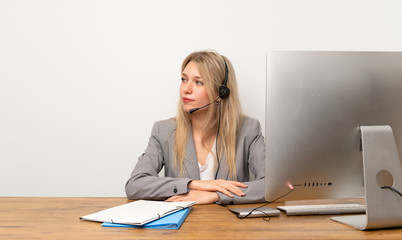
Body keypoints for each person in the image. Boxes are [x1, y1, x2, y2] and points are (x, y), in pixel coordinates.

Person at [125, 50, 265, 205]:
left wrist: (217, 195)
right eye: (184, 79)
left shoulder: (248, 130)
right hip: (182, 227)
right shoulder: (163, 131)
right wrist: (192, 185)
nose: (186, 89)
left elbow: (273, 185)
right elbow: (135, 185)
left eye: (199, 82)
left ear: (221, 93)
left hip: (231, 227)